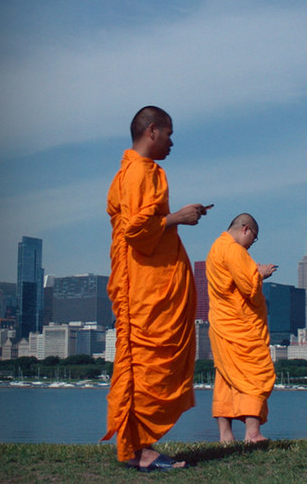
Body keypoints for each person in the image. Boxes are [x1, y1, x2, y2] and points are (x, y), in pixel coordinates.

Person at [102, 106, 211, 471]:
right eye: (168, 133)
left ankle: (139, 446)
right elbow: (135, 230)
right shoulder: (138, 172)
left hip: (150, 281)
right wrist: (178, 217)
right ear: (152, 131)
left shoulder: (139, 171)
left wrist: (177, 216)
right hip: (145, 287)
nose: (172, 141)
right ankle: (140, 450)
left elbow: (144, 223)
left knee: (151, 364)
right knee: (147, 363)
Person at [206, 213, 278, 443]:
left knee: (226, 378)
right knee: (255, 374)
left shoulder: (215, 248)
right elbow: (248, 286)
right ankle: (252, 433)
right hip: (241, 325)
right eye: (253, 239)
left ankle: (225, 436)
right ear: (246, 229)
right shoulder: (234, 250)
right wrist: (261, 273)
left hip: (221, 323)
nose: (251, 245)